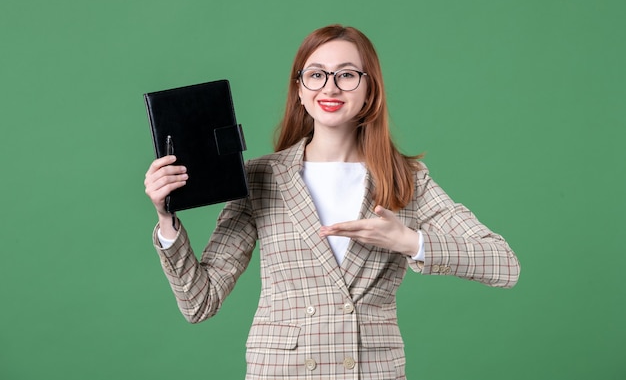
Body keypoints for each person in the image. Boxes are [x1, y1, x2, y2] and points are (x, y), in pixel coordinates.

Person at [144, 24, 520, 380]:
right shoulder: (260, 177)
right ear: (300, 89)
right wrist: (166, 219)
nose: (330, 87)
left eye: (347, 74)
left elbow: (505, 265)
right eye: (316, 74)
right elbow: (200, 302)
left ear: (369, 89)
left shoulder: (406, 178)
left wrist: (407, 241)